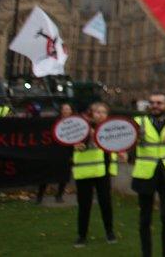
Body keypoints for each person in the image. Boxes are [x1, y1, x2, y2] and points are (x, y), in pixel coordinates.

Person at [131, 92, 165, 257]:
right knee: (145, 218)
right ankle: (147, 253)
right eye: (152, 103)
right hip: (145, 174)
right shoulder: (138, 123)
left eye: (159, 103)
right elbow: (126, 144)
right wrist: (125, 153)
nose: (155, 106)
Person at [72, 102, 117, 247]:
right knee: (84, 205)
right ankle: (82, 235)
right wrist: (76, 145)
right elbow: (67, 145)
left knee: (106, 203)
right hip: (84, 171)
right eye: (97, 112)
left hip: (102, 171)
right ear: (91, 113)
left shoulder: (109, 130)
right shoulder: (80, 128)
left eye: (103, 112)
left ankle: (109, 233)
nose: (100, 114)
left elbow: (117, 146)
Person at [37, 102, 74, 204]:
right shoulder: (54, 122)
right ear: (61, 111)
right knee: (46, 174)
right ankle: (40, 196)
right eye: (64, 109)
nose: (66, 111)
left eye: (68, 109)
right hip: (54, 151)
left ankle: (59, 195)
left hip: (67, 152)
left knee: (64, 175)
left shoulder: (75, 123)